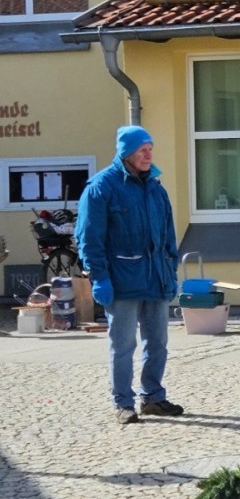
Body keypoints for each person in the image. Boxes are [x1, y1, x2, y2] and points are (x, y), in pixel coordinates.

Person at [75, 126, 181, 424]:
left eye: (150, 149)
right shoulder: (101, 188)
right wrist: (99, 277)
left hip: (156, 279)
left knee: (157, 344)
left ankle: (153, 398)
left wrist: (171, 271)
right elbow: (88, 238)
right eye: (142, 150)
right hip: (120, 282)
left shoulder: (156, 189)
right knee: (123, 346)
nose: (149, 155)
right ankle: (123, 403)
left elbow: (168, 237)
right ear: (126, 153)